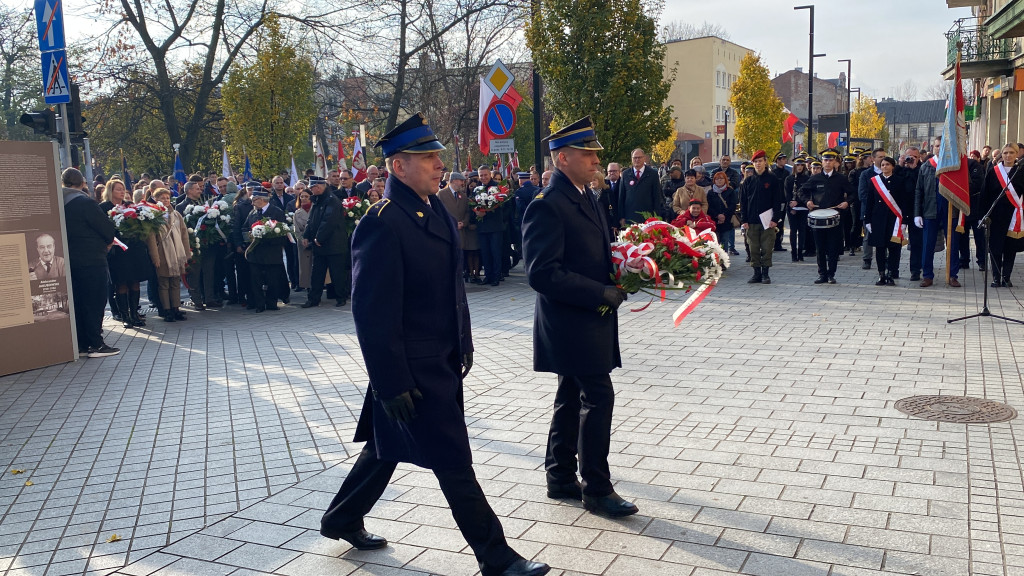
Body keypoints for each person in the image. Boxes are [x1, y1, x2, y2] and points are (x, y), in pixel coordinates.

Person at [321, 113, 549, 576]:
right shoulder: (382, 222)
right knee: (453, 461)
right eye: (428, 157)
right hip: (410, 368)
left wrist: (463, 342)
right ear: (398, 166)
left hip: (439, 358)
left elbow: (452, 289)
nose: (439, 164)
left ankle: (342, 516)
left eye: (438, 156)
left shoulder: (434, 207)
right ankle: (497, 557)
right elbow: (371, 312)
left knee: (384, 448)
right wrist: (390, 382)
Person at [521, 116, 638, 520]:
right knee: (598, 396)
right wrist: (598, 292)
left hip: (588, 316)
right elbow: (541, 272)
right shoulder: (548, 204)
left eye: (595, 153)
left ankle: (559, 476)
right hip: (571, 320)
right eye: (588, 154)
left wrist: (626, 270)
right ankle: (597, 488)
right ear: (563, 157)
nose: (595, 160)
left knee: (571, 396)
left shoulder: (585, 194)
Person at [62, 168, 120, 358]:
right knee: (94, 302)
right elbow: (106, 229)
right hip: (91, 260)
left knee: (78, 302)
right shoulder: (85, 203)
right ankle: (96, 344)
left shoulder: (57, 204)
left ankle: (81, 343)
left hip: (68, 260)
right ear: (82, 184)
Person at [98, 178, 150, 328]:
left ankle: (134, 314)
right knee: (121, 283)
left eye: (123, 189)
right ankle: (125, 316)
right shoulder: (103, 208)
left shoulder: (130, 206)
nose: (122, 191)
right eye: (118, 189)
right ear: (110, 191)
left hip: (133, 250)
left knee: (134, 281)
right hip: (117, 252)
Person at [798, 149, 852, 284]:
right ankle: (822, 274)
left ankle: (831, 274)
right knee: (820, 247)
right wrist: (807, 201)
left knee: (833, 247)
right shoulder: (815, 178)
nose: (828, 163)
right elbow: (801, 191)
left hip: (835, 216)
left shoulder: (841, 179)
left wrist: (847, 202)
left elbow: (853, 193)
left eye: (830, 160)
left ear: (835, 162)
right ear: (822, 162)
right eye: (825, 160)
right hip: (818, 217)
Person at [301, 176, 350, 308]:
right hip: (319, 245)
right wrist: (306, 235)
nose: (312, 190)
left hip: (334, 244)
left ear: (320, 186)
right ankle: (313, 299)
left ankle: (341, 297)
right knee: (317, 274)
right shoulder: (317, 200)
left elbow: (329, 221)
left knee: (337, 273)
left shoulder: (332, 200)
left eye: (313, 187)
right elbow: (311, 220)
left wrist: (319, 237)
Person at [146, 188, 193, 322]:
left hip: (177, 253)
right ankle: (167, 310)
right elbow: (151, 239)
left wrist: (186, 253)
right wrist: (155, 257)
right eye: (162, 198)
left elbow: (184, 234)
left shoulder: (176, 215)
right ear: (156, 200)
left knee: (175, 282)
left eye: (167, 198)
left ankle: (176, 308)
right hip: (163, 253)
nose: (166, 200)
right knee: (164, 283)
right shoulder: (153, 216)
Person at [864, 157, 912, 286]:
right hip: (878, 219)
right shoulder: (874, 181)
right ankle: (881, 274)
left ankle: (891, 273)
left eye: (887, 164)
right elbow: (869, 201)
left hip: (894, 220)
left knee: (894, 249)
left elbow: (904, 202)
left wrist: (904, 221)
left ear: (893, 166)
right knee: (880, 248)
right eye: (883, 165)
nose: (884, 167)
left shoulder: (899, 181)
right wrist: (867, 219)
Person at [981, 143, 1024, 287]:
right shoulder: (993, 172)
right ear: (1002, 155)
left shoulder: (1021, 172)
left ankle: (1006, 277)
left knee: (1010, 248)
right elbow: (985, 195)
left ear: (1017, 154)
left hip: (1014, 217)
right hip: (996, 216)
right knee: (995, 247)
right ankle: (995, 277)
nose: (1008, 155)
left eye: (1012, 152)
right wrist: (983, 214)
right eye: (1005, 153)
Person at [739, 150, 784, 284]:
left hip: (767, 221)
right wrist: (744, 220)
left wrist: (775, 219)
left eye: (760, 161)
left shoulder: (772, 179)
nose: (758, 164)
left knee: (767, 248)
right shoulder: (748, 181)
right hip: (752, 221)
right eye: (755, 162)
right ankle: (756, 273)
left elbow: (777, 200)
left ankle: (765, 274)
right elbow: (743, 202)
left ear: (765, 162)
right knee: (753, 248)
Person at [243, 185, 288, 312]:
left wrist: (267, 236)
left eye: (254, 199)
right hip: (255, 253)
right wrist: (250, 236)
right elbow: (245, 228)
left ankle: (271, 303)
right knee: (256, 280)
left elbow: (282, 231)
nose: (252, 202)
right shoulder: (252, 213)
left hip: (271, 253)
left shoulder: (276, 212)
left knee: (272, 280)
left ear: (262, 200)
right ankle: (259, 304)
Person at [475, 167, 505, 286]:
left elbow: (502, 206)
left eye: (485, 175)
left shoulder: (497, 188)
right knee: (485, 253)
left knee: (495, 252)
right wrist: (476, 211)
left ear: (490, 175)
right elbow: (472, 202)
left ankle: (496, 277)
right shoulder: (477, 188)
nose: (483, 177)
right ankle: (488, 276)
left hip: (495, 226)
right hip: (482, 226)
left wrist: (487, 210)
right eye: (481, 175)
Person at [617, 148, 662, 225]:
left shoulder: (652, 174)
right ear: (631, 159)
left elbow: (657, 196)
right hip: (630, 216)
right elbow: (621, 196)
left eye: (639, 157)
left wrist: (656, 216)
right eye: (635, 158)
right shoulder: (625, 174)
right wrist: (621, 217)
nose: (637, 160)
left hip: (648, 216)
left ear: (644, 158)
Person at [859, 148, 886, 270]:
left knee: (885, 235)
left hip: (885, 211)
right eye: (880, 157)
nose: (882, 159)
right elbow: (862, 194)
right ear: (873, 159)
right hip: (870, 210)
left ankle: (884, 259)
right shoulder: (866, 174)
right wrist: (874, 206)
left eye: (884, 157)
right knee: (868, 236)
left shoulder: (888, 172)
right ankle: (867, 259)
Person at [784, 158, 811, 262]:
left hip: (803, 207)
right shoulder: (789, 179)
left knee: (802, 230)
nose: (800, 167)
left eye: (802, 165)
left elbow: (807, 193)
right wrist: (792, 204)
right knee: (793, 230)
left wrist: (799, 203)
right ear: (795, 166)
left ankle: (800, 252)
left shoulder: (807, 178)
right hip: (791, 207)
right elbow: (787, 194)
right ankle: (794, 253)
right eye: (798, 165)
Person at [707, 171, 738, 256]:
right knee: (716, 241)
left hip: (727, 220)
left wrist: (724, 215)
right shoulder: (711, 192)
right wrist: (717, 215)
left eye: (721, 178)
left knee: (725, 240)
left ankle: (724, 260)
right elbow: (709, 206)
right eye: (717, 179)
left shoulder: (730, 191)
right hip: (715, 221)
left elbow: (732, 205)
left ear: (725, 180)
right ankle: (716, 260)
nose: (719, 180)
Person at [292, 190, 313, 291]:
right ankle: (307, 286)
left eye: (306, 196)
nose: (304, 198)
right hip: (303, 243)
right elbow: (296, 231)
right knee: (305, 267)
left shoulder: (316, 209)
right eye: (302, 196)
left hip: (316, 241)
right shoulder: (297, 213)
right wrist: (302, 240)